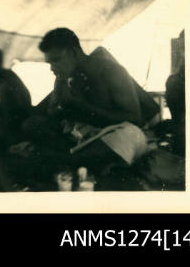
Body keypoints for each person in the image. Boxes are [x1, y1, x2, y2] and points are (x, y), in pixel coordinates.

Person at [21, 28, 160, 181]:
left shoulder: (111, 71)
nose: (52, 67)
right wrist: (61, 93)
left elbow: (135, 119)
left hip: (112, 136)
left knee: (130, 135)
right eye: (49, 62)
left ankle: (65, 160)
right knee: (32, 124)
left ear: (73, 53)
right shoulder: (64, 76)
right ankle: (75, 160)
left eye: (56, 60)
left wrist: (80, 106)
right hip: (84, 138)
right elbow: (54, 112)